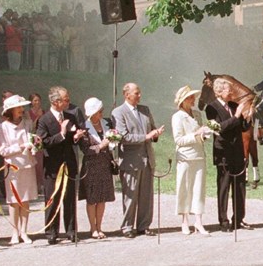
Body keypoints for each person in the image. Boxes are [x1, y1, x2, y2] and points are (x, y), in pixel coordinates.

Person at [113, 83, 163, 238]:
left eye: (139, 92)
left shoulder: (145, 110)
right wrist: (145, 137)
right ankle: (127, 226)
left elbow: (151, 128)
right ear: (127, 95)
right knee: (130, 195)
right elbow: (122, 136)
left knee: (146, 196)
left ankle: (144, 225)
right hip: (130, 160)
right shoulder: (118, 112)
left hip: (147, 158)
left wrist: (155, 134)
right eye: (136, 93)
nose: (139, 95)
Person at [36, 86, 84, 244]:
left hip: (69, 162)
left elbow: (74, 138)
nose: (68, 102)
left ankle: (71, 230)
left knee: (70, 199)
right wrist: (62, 134)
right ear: (56, 102)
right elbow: (44, 142)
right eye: (66, 100)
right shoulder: (44, 120)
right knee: (52, 199)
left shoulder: (70, 116)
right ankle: (51, 232)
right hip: (53, 166)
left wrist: (76, 136)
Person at [204, 77, 252, 232]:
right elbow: (219, 129)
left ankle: (238, 219)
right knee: (224, 187)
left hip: (237, 151)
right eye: (227, 90)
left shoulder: (234, 105)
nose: (231, 92)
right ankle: (223, 221)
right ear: (219, 91)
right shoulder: (210, 108)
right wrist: (236, 116)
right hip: (223, 152)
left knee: (239, 187)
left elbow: (242, 128)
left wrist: (248, 118)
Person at [0, 94, 37, 244]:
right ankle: (14, 232)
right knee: (14, 200)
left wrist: (34, 145)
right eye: (18, 107)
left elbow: (32, 141)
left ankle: (24, 231)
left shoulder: (27, 123)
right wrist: (20, 147)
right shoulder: (2, 128)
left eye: (22, 107)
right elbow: (3, 150)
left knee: (25, 199)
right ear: (11, 110)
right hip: (13, 167)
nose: (21, 109)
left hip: (27, 165)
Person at [172, 85, 211, 235]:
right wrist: (197, 135)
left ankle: (199, 222)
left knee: (199, 189)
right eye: (189, 98)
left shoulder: (197, 114)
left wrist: (205, 134)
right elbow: (179, 140)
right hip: (185, 158)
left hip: (199, 156)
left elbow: (200, 135)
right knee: (185, 188)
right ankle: (184, 221)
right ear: (182, 101)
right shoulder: (177, 117)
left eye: (193, 97)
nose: (193, 100)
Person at [79, 97, 117, 239]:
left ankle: (100, 226)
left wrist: (113, 141)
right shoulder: (84, 127)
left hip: (105, 164)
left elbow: (114, 137)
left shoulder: (106, 123)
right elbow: (85, 149)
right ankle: (92, 228)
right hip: (91, 166)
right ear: (92, 113)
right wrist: (101, 146)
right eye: (99, 111)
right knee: (92, 198)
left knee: (102, 198)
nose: (101, 113)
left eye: (101, 111)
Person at [28, 93, 46, 194]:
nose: (37, 102)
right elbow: (31, 128)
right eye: (35, 100)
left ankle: (41, 185)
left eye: (38, 100)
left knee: (41, 164)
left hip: (41, 140)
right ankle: (35, 186)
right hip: (32, 140)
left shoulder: (44, 112)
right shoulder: (27, 113)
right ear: (31, 102)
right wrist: (37, 118)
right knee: (35, 164)